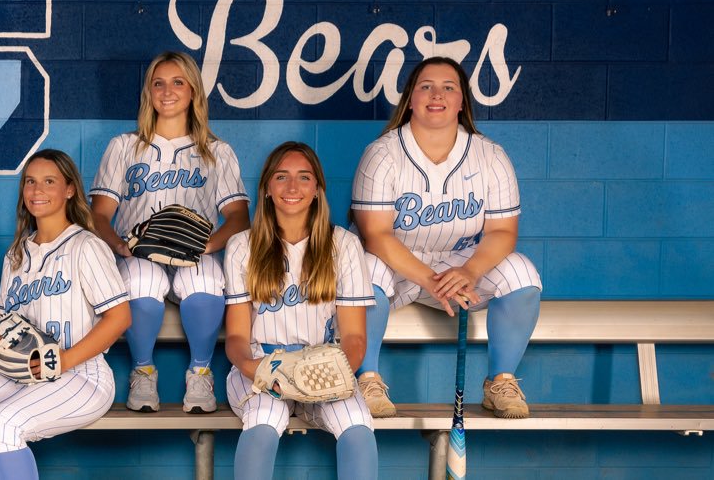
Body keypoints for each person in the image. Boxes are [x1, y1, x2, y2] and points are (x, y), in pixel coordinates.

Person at [351, 56, 542, 419]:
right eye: (425, 86)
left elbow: (503, 232)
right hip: (398, 264)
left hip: (460, 264)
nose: (436, 94)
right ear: (409, 99)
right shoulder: (383, 153)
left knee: (522, 274)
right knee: (364, 267)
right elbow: (375, 235)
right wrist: (430, 279)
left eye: (448, 87)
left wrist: (470, 271)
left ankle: (500, 381)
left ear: (461, 102)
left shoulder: (490, 155)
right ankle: (367, 378)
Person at [0, 149, 132, 480]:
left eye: (49, 181)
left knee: (2, 426)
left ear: (69, 190)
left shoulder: (86, 245)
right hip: (18, 373)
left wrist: (62, 361)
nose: (37, 191)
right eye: (30, 182)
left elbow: (120, 318)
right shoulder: (16, 254)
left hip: (81, 374)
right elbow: (4, 331)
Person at [89, 51, 249, 413]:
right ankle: (143, 371)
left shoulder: (217, 151)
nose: (168, 91)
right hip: (139, 252)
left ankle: (200, 373)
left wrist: (209, 245)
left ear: (194, 91)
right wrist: (119, 245)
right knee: (141, 283)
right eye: (158, 83)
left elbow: (239, 217)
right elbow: (98, 216)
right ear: (149, 93)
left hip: (195, 253)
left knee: (206, 281)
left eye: (178, 82)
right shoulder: (124, 147)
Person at [223, 142, 377, 480]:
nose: (293, 187)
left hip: (323, 365)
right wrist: (255, 368)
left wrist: (332, 374)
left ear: (318, 190)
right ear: (266, 189)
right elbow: (235, 336)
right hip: (263, 363)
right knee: (265, 417)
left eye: (304, 178)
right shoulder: (241, 247)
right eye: (282, 177)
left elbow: (354, 337)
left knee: (357, 423)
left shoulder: (342, 244)